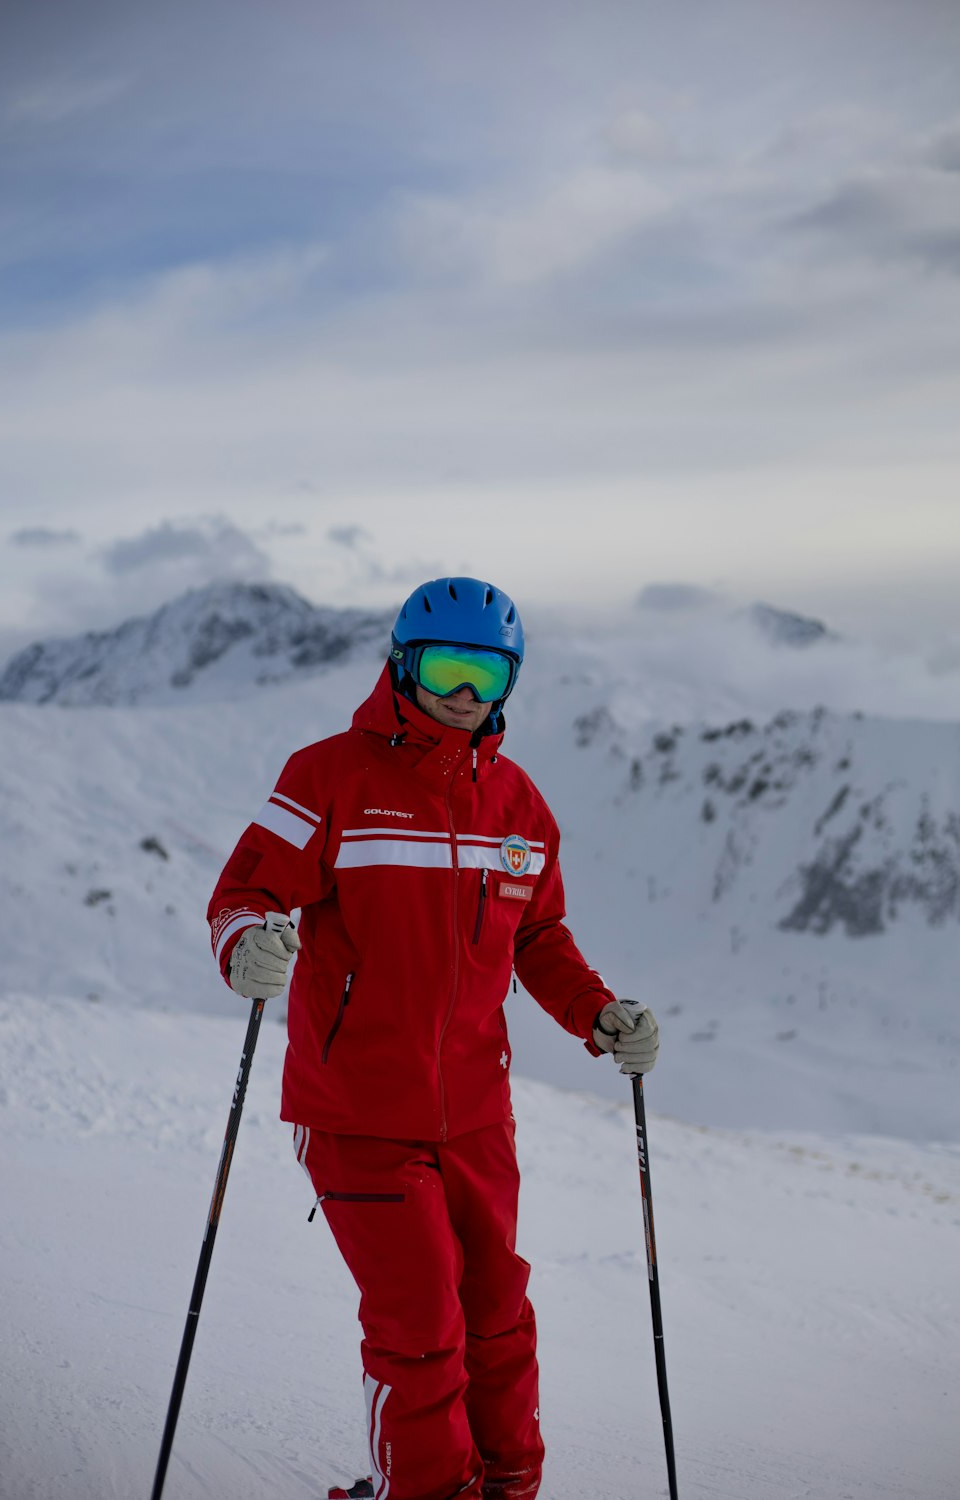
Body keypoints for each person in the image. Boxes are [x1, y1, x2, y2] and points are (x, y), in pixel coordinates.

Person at [208, 576, 660, 1500]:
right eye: (449, 667)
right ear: (403, 665)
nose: (466, 693)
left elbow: (538, 937)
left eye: (488, 673)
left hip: (477, 1114)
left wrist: (599, 1013)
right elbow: (243, 895)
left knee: (498, 1316)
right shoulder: (329, 775)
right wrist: (248, 945)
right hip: (358, 1109)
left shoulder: (519, 806)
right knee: (421, 1327)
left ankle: (508, 1487)